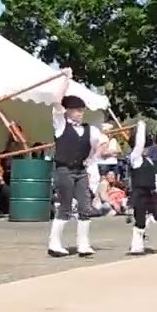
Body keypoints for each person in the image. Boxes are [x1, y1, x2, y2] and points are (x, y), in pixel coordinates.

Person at [47, 69, 105, 257]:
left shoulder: (90, 129)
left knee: (85, 207)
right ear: (69, 111)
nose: (81, 114)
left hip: (81, 171)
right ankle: (54, 244)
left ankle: (83, 244)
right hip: (64, 170)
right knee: (64, 207)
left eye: (82, 111)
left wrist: (94, 156)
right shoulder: (61, 124)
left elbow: (102, 144)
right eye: (78, 110)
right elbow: (56, 100)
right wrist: (65, 79)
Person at [126, 120, 157, 255]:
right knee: (140, 221)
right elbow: (139, 144)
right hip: (139, 193)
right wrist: (141, 127)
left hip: (151, 193)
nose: (146, 149)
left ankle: (143, 232)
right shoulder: (134, 158)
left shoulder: (149, 161)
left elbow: (155, 178)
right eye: (145, 146)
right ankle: (136, 246)